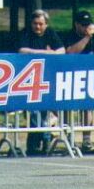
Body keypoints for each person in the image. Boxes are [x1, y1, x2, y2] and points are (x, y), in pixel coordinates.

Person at [65, 10, 94, 153]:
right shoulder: (71, 35)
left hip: (88, 76)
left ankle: (86, 141)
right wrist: (86, 38)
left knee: (87, 107)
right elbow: (70, 52)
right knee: (68, 107)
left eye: (88, 25)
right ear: (76, 25)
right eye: (83, 25)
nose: (86, 27)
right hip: (70, 76)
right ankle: (69, 139)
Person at [18, 10, 65, 155]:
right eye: (35, 24)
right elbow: (22, 50)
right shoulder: (26, 33)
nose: (37, 27)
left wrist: (53, 53)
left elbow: (61, 50)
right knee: (33, 112)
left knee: (45, 111)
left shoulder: (50, 33)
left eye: (40, 24)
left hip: (46, 77)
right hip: (29, 78)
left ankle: (45, 141)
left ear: (46, 25)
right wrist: (44, 52)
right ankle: (33, 143)